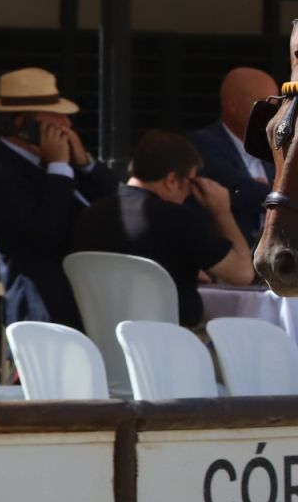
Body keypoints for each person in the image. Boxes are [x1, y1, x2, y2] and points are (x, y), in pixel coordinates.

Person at [0, 67, 120, 328]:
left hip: (87, 305)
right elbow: (44, 235)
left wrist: (84, 163)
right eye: (55, 116)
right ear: (22, 124)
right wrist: (59, 168)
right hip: (44, 314)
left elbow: (116, 201)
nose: (67, 124)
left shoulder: (57, 165)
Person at [71, 130, 255, 329]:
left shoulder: (90, 215)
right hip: (168, 343)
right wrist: (222, 212)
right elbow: (243, 274)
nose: (190, 193)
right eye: (191, 182)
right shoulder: (178, 220)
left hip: (99, 339)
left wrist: (185, 266)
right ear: (172, 180)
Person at [189, 67, 279, 246]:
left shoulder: (273, 147)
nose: (274, 113)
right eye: (265, 104)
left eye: (276, 105)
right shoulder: (203, 144)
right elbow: (238, 191)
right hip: (233, 259)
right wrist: (272, 192)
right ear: (232, 105)